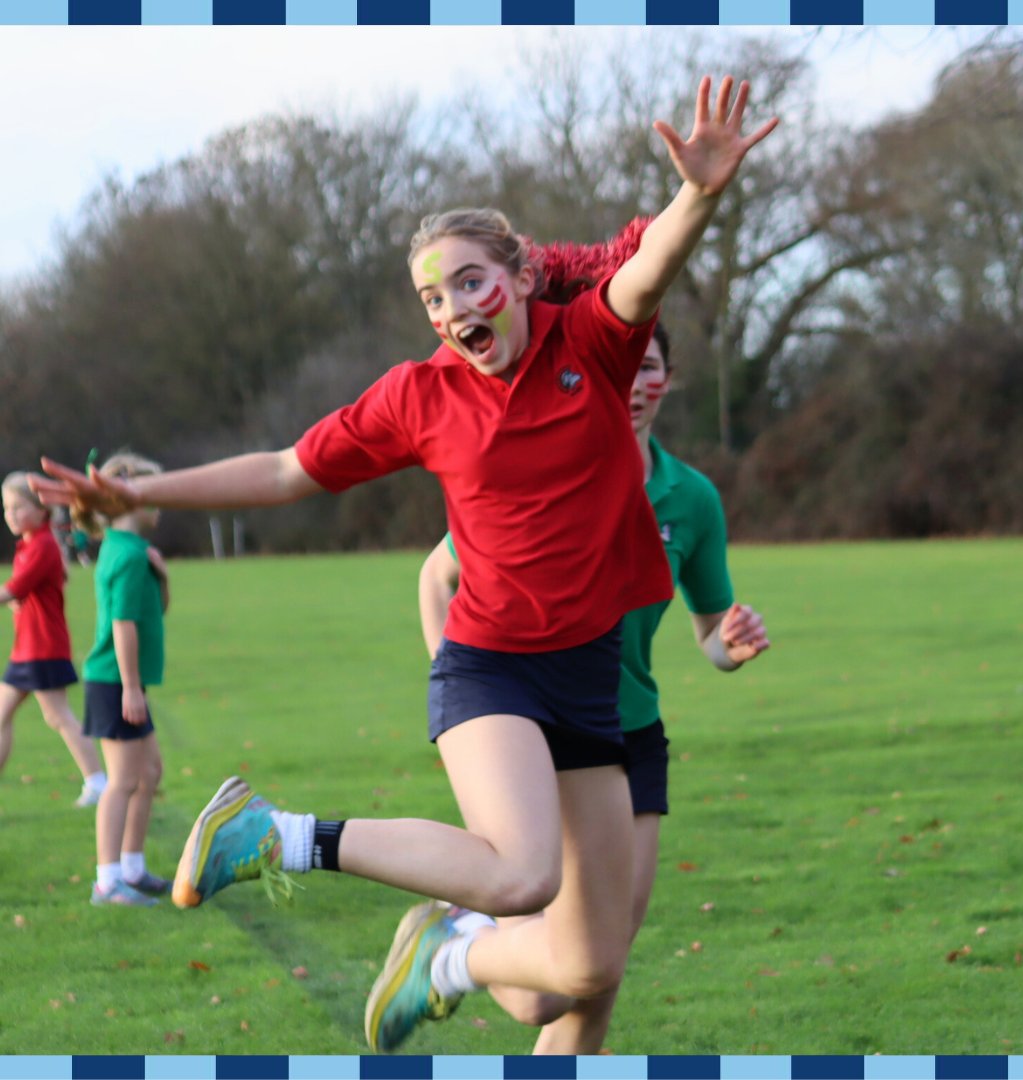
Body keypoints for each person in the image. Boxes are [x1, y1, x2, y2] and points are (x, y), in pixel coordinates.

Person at [32, 75, 778, 1052]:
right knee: (522, 877)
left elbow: (650, 272)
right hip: (492, 664)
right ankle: (278, 836)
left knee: (588, 969)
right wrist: (146, 493)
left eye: (471, 280)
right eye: (434, 296)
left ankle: (443, 960)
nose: (455, 306)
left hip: (593, 678)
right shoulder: (418, 396)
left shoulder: (593, 344)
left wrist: (701, 195)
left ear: (517, 276)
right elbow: (288, 468)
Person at [419, 322, 770, 1052]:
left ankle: (460, 945)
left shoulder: (693, 500)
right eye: (626, 364)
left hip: (630, 735)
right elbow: (436, 577)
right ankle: (458, 942)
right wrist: (464, 702)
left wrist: (730, 645)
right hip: (537, 731)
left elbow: (709, 635)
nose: (637, 382)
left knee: (597, 976)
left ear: (666, 381)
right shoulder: (547, 470)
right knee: (538, 996)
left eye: (652, 369)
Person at [74, 452, 173, 907]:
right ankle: (107, 882)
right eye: (151, 494)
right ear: (127, 502)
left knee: (149, 772)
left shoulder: (129, 551)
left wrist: (164, 577)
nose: (159, 503)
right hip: (115, 683)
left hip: (121, 682)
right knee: (122, 781)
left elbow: (155, 611)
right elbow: (123, 626)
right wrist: (132, 688)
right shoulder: (127, 556)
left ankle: (132, 867)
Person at [0, 472, 107, 807]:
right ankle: (97, 781)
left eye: (18, 507)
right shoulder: (31, 544)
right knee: (5, 715)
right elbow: (22, 592)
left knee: (59, 716)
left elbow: (14, 588)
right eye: (6, 509)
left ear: (42, 509)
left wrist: (13, 596)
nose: (11, 515)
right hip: (27, 649)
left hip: (42, 649)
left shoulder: (43, 545)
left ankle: (98, 781)